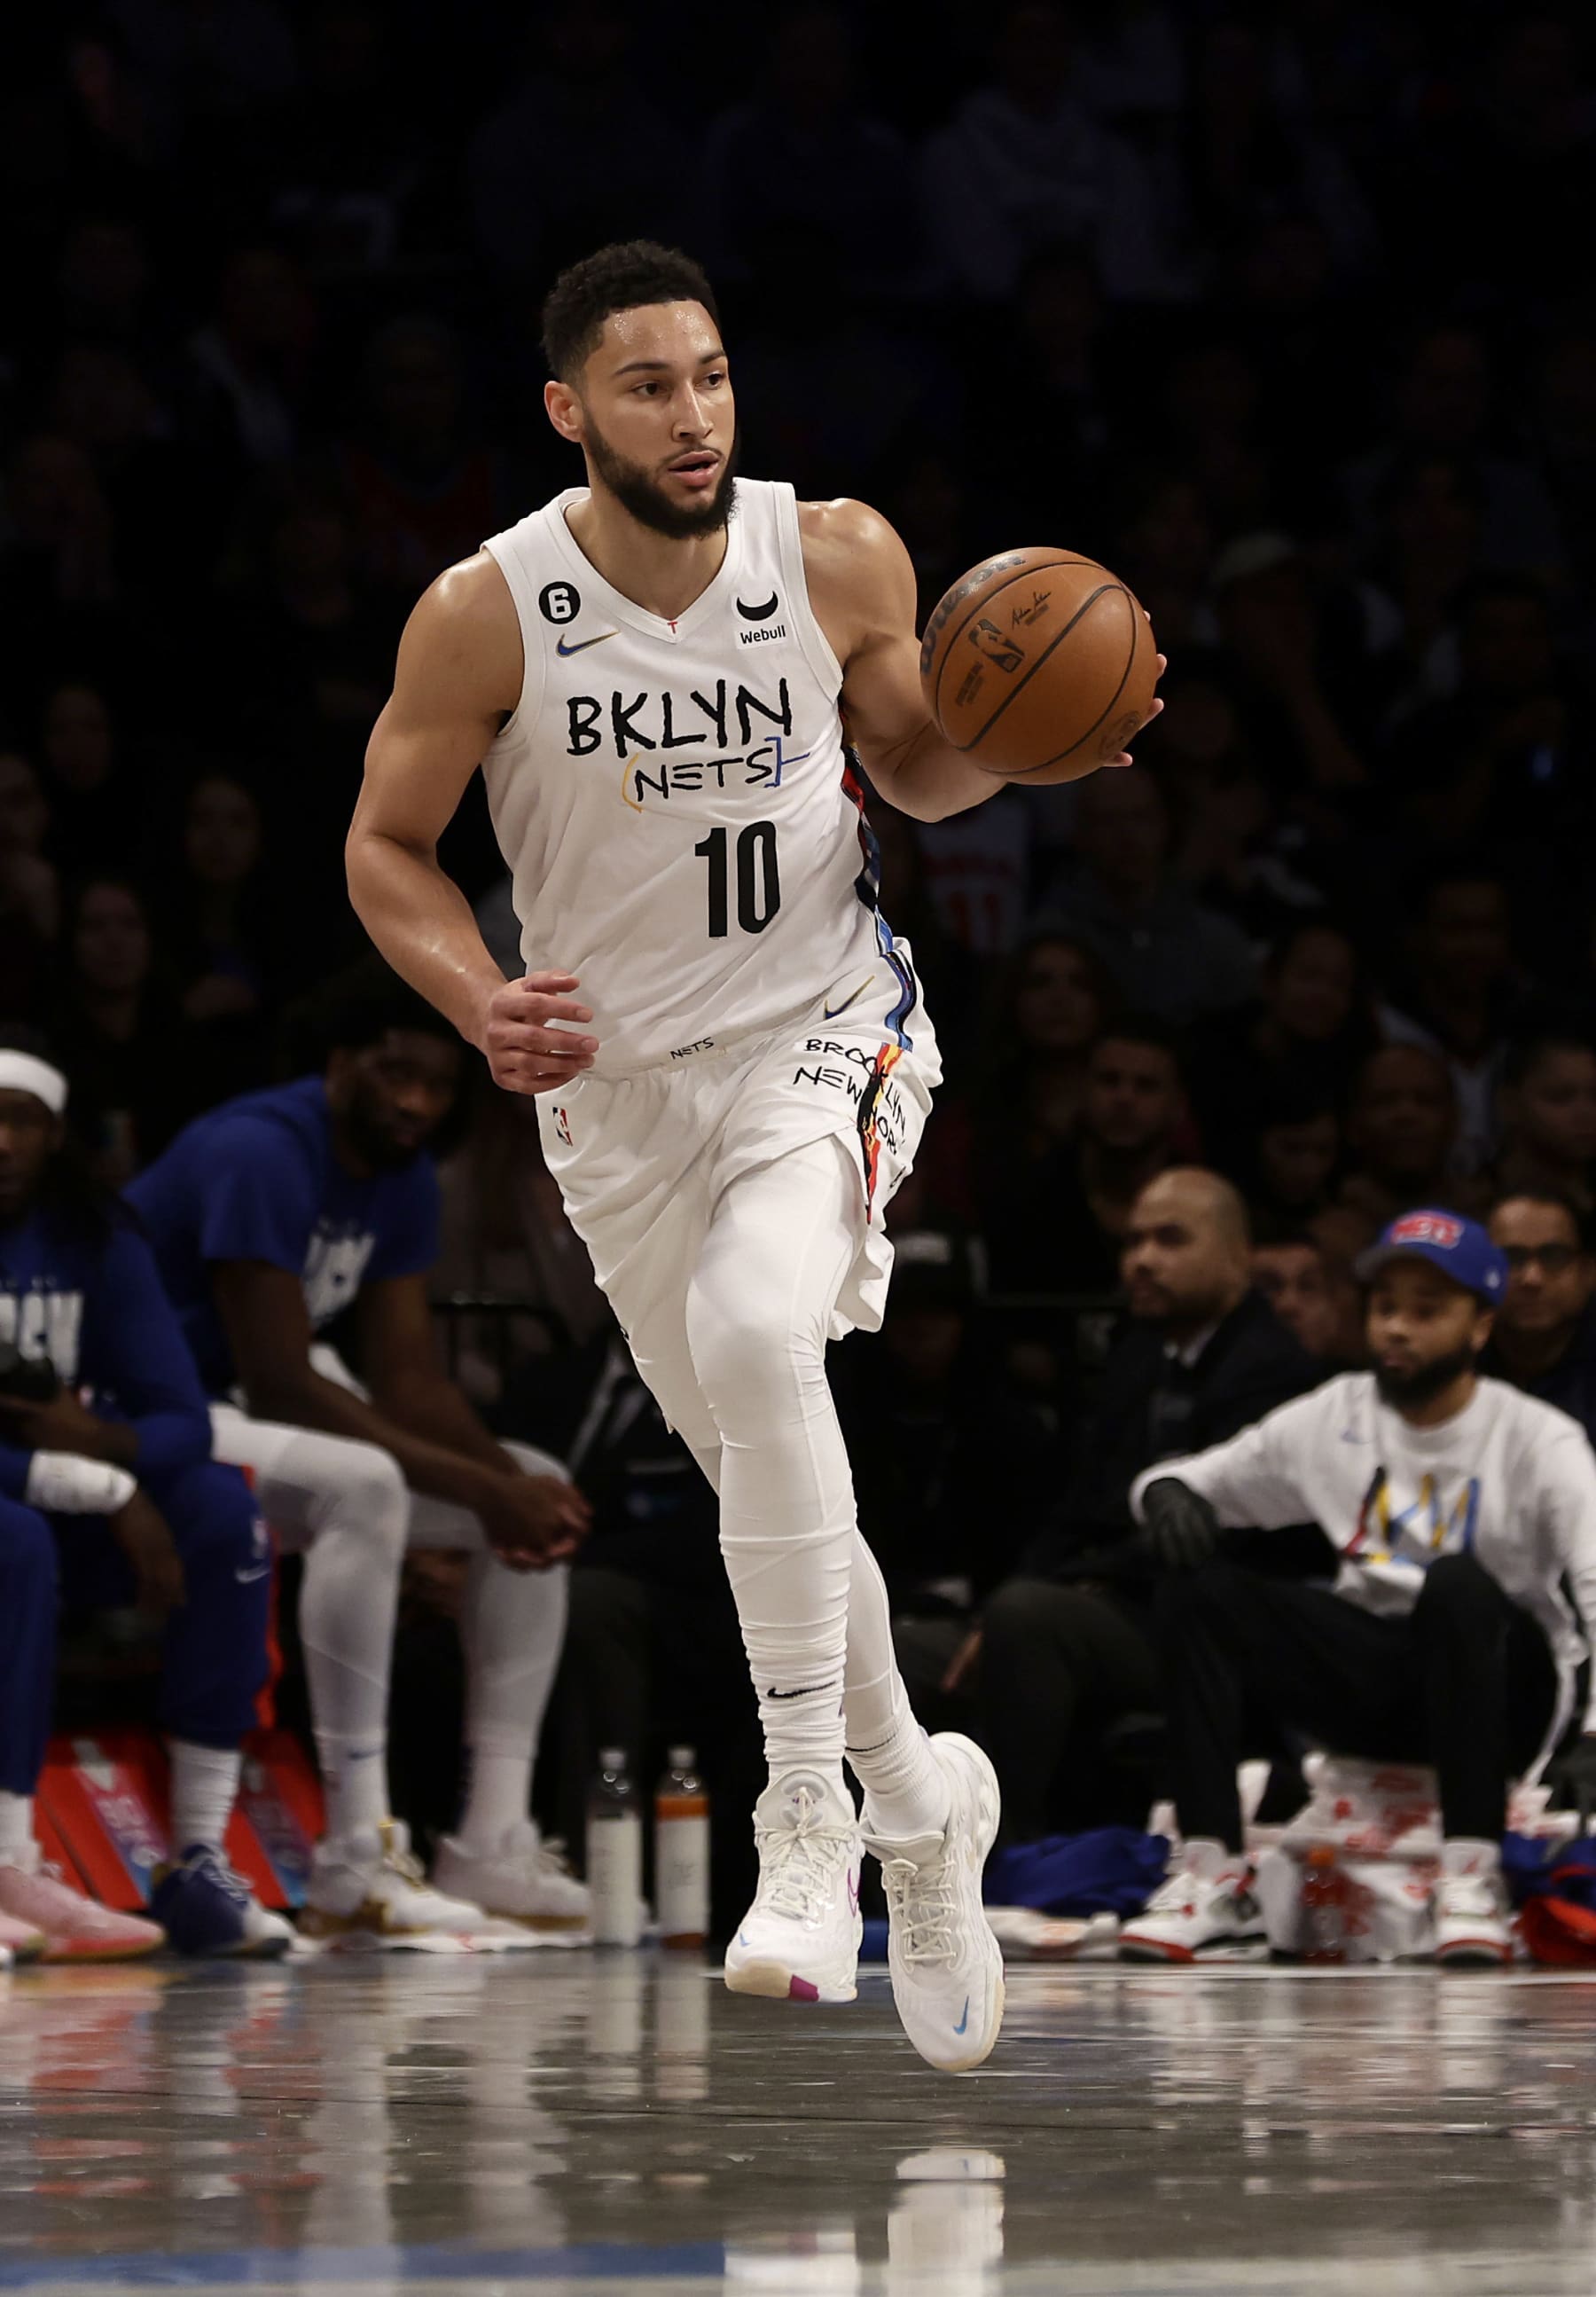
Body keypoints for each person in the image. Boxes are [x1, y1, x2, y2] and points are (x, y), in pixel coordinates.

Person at [345, 238, 1163, 2072]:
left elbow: (922, 767)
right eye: (648, 385)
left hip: (825, 1029)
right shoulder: (488, 608)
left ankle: (809, 1821)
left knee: (760, 1333)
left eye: (711, 375)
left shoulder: (839, 552)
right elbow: (386, 850)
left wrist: (1039, 743)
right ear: (570, 410)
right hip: (616, 1099)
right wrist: (480, 998)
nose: (694, 413)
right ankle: (921, 1800)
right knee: (765, 1452)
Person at [127, 963, 592, 1946]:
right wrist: (480, 1487)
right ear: (339, 1066)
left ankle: (491, 1835)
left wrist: (508, 1489)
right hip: (151, 1410)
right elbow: (282, 1376)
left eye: (435, 1083)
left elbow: (409, 1377)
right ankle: (355, 1850)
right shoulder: (261, 1148)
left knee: (536, 1483)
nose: (417, 1100)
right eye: (394, 1076)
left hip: (247, 1416)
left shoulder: (402, 1170)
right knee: (366, 1484)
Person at [1120, 1210, 1596, 1966]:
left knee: (1457, 1586)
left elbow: (1593, 1579)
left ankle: (1471, 1875)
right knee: (1199, 1585)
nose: (1399, 1329)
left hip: (1505, 1688)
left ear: (1480, 1328)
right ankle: (1212, 1875)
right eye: (1386, 1308)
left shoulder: (1537, 1437)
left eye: (1427, 1311)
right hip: (1381, 1683)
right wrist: (1167, 1497)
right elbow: (1181, 1479)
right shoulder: (1335, 1413)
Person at [0, 1036, 290, 1960]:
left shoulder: (94, 1234)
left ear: (54, 1136)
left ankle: (198, 1855)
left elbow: (183, 1417)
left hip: (67, 1496)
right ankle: (11, 1856)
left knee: (219, 1511)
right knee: (18, 1544)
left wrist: (109, 1453)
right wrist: (91, 1480)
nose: (0, 1141)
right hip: (21, 1501)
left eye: (21, 1120)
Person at [974, 1170, 1319, 1843]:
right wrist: (1034, 1580)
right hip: (1117, 1599)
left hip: (1209, 1617)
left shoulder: (1277, 1369)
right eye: (1133, 1242)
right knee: (904, 1647)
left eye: (1170, 1240)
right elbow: (1075, 1503)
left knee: (1027, 1620)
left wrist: (1073, 1582)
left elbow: (1216, 1534)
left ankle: (1004, 1865)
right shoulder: (1136, 1358)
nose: (1142, 1260)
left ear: (1236, 1257)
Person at [1484, 1193, 1596, 1438]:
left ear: (1588, 1272)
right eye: (1511, 1258)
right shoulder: (1452, 1358)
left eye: (1554, 1256)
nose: (1532, 1278)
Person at [1494, 1031, 1596, 1215]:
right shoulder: (1477, 1205)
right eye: (1559, 1096)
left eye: (1595, 1097)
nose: (1585, 1113)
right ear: (1510, 1104)